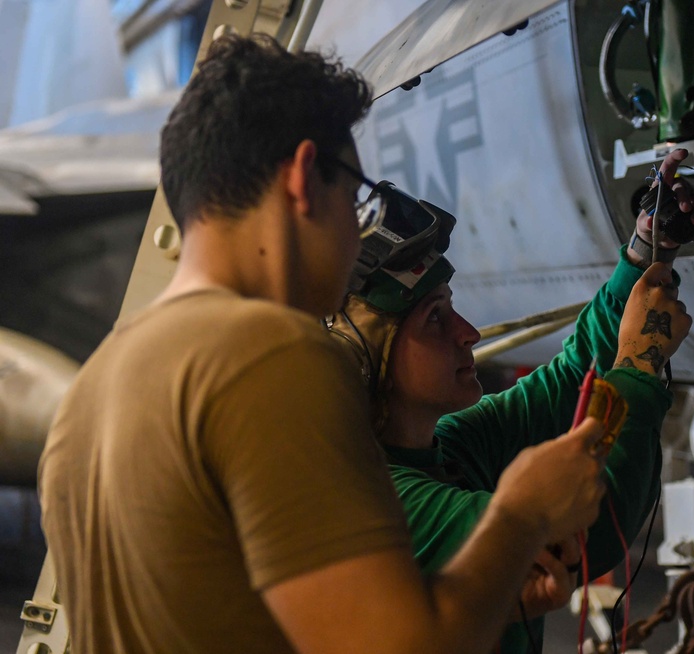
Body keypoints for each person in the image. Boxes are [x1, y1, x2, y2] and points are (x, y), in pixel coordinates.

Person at [37, 34, 610, 654]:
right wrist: (522, 515)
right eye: (357, 199)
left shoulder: (88, 394)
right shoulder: (269, 353)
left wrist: (486, 586)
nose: (354, 230)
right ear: (306, 178)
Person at [331, 150, 694, 652]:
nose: (468, 333)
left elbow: (571, 380)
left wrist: (646, 250)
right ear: (370, 358)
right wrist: (638, 367)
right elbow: (582, 533)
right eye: (435, 319)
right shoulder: (386, 504)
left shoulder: (446, 449)